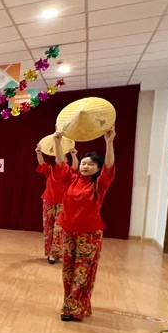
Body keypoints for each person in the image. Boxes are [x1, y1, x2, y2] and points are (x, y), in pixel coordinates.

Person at [53, 128, 116, 322]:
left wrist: (109, 142)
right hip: (68, 231)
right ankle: (77, 305)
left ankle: (72, 309)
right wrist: (57, 142)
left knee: (82, 272)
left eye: (91, 164)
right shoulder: (70, 179)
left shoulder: (99, 183)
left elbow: (109, 165)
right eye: (84, 163)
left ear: (97, 168)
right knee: (68, 271)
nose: (86, 166)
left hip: (89, 234)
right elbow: (60, 162)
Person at [36, 144, 79, 264]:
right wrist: (39, 152)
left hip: (63, 203)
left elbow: (75, 167)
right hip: (48, 201)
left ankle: (54, 254)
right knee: (48, 228)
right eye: (57, 156)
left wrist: (74, 156)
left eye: (62, 157)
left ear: (66, 161)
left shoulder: (68, 171)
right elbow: (41, 163)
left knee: (58, 229)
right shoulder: (50, 170)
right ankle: (50, 251)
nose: (58, 158)